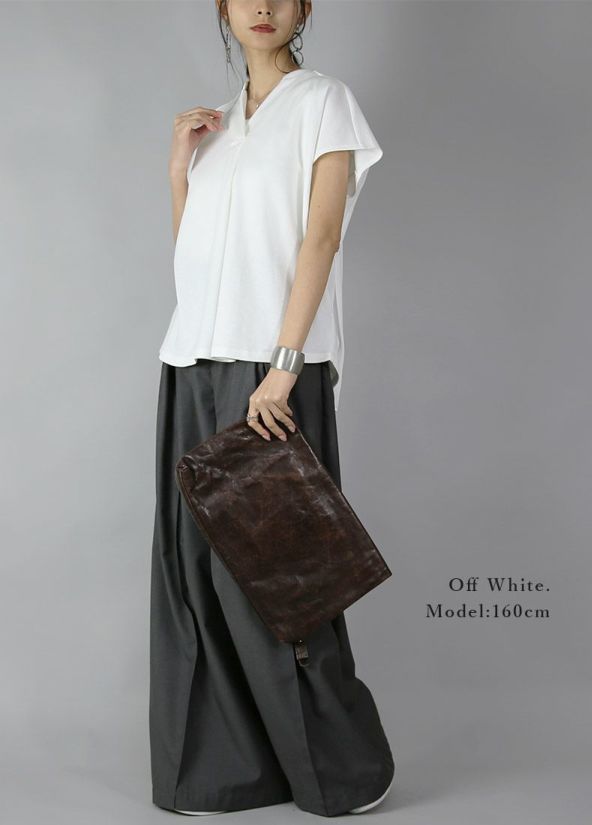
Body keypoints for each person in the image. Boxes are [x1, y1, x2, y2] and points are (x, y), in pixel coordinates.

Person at [149, 0, 394, 817]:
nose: (263, 6)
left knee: (282, 576)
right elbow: (196, 259)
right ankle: (223, 774)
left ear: (305, 8)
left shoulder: (324, 101)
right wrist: (181, 172)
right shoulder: (215, 126)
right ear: (222, 8)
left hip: (273, 372)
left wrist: (283, 368)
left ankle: (342, 773)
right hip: (193, 364)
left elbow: (320, 238)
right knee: (196, 577)